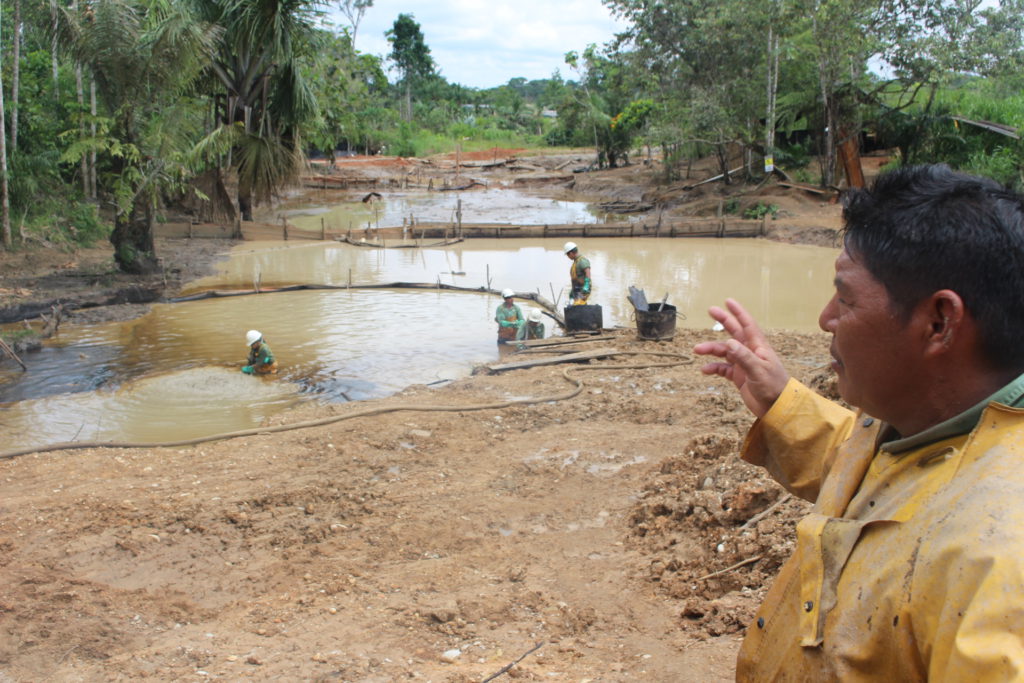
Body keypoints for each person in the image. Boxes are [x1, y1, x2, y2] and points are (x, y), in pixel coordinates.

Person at [693, 164, 1024, 680]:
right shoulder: (921, 424)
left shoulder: (996, 562)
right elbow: (870, 469)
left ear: (939, 323)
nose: (825, 318)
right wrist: (780, 399)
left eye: (845, 298)